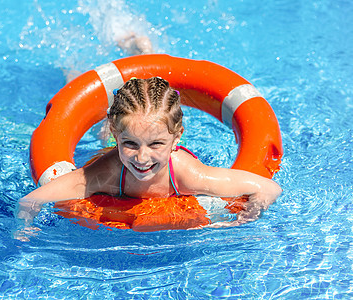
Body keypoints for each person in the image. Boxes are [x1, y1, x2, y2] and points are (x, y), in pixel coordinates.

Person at [16, 77, 282, 236]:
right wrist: (25, 229)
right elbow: (30, 200)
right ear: (118, 136)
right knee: (105, 139)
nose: (142, 158)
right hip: (114, 147)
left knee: (145, 131)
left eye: (155, 144)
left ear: (177, 138)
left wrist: (244, 218)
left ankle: (144, 50)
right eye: (130, 143)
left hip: (168, 154)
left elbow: (269, 188)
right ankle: (82, 84)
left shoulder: (187, 173)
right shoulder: (106, 172)